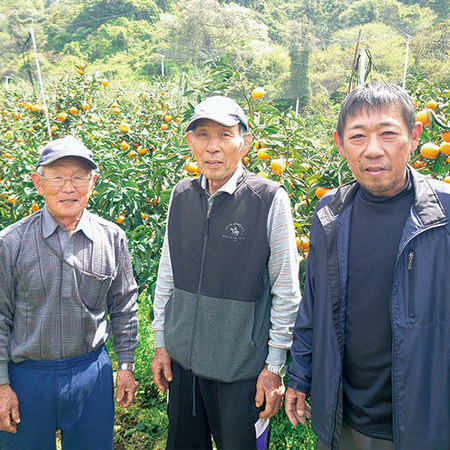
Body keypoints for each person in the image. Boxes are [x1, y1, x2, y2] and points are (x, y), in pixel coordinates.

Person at [285, 81, 450, 450]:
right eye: (357, 137)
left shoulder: (444, 214)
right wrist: (299, 374)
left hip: (429, 420)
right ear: (340, 143)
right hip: (346, 418)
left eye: (388, 133)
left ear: (414, 135)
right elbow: (313, 305)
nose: (373, 150)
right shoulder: (330, 212)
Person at [150, 95, 301, 449]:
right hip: (183, 368)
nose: (212, 147)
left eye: (225, 135)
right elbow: (167, 276)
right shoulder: (182, 194)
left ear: (245, 142)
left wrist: (274, 365)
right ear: (190, 142)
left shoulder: (268, 198)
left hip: (242, 373)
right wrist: (161, 342)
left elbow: (286, 290)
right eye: (202, 135)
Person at [0, 136, 139, 449]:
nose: (69, 187)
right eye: (58, 177)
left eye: (78, 177)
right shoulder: (12, 242)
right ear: (39, 182)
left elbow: (124, 305)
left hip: (90, 373)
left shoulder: (111, 237)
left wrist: (126, 366)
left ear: (93, 182)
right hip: (28, 376)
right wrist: (2, 385)